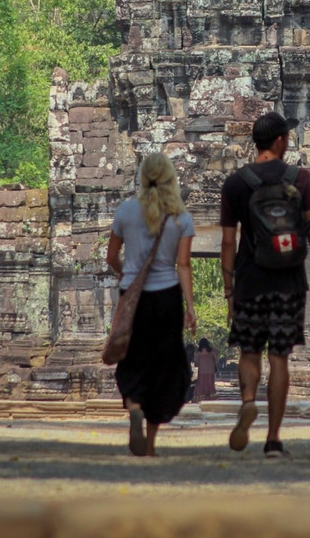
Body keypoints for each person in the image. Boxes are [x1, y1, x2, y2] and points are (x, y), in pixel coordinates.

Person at [220, 111, 310, 458]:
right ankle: (273, 438)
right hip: (289, 280)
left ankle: (249, 401)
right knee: (279, 357)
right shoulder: (300, 179)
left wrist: (229, 288)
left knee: (249, 350)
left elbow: (227, 241)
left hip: (250, 280)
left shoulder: (237, 183)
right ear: (281, 140)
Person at [106, 152, 197, 457]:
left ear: (143, 177)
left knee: (132, 358)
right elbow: (183, 265)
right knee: (164, 367)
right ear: (172, 177)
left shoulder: (126, 211)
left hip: (134, 298)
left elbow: (111, 258)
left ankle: (134, 407)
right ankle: (152, 444)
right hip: (167, 296)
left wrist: (128, 278)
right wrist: (190, 306)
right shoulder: (181, 217)